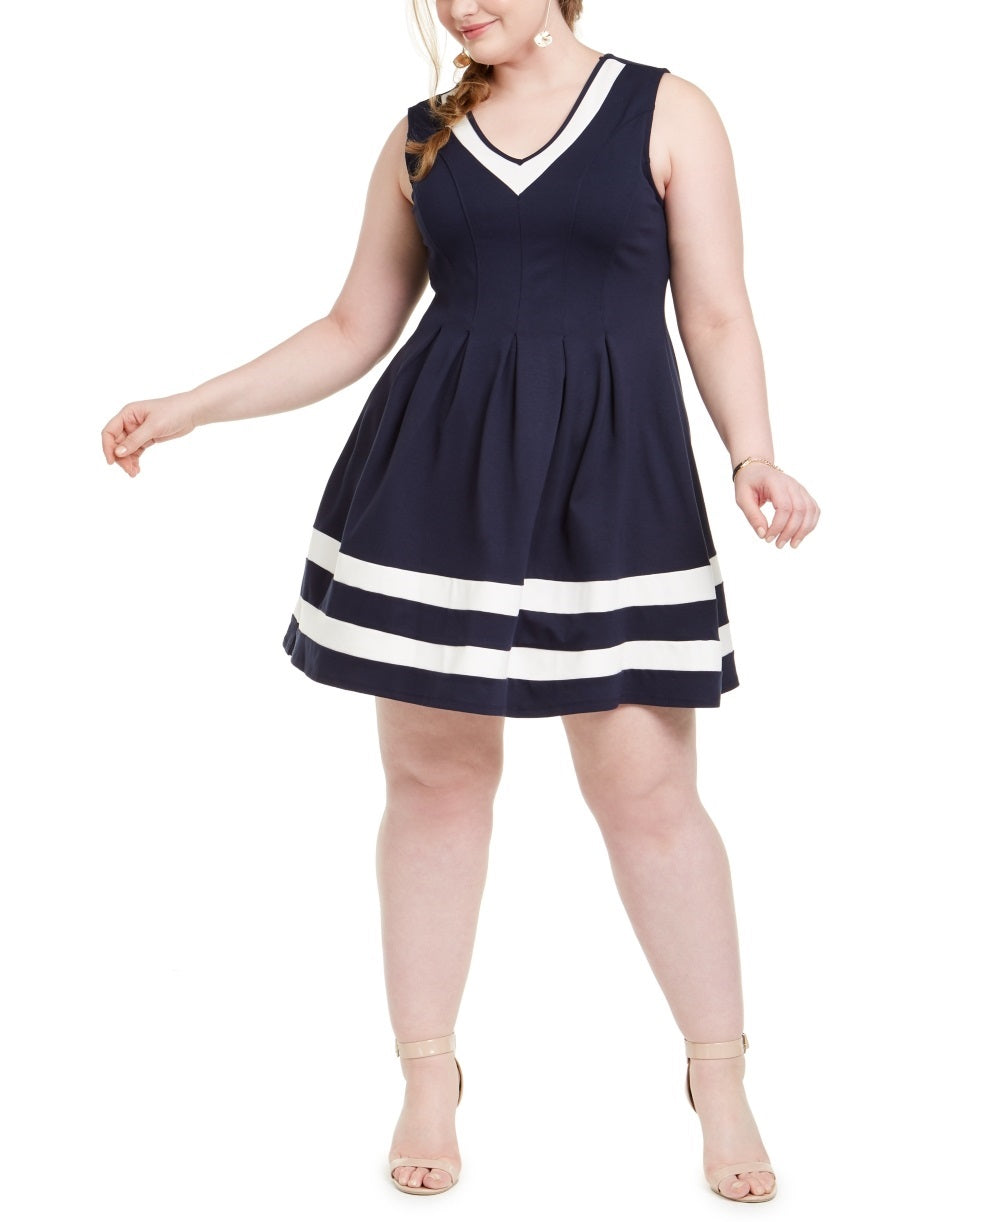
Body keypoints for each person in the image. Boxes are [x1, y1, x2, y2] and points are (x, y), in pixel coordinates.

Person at [100, 0, 820, 1204]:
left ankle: (720, 1070)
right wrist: (188, 407)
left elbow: (715, 307)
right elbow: (354, 327)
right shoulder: (420, 136)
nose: (457, 4)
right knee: (435, 785)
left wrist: (753, 451)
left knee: (647, 795)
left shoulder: (667, 110)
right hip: (438, 484)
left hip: (613, 486)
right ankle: (428, 1073)